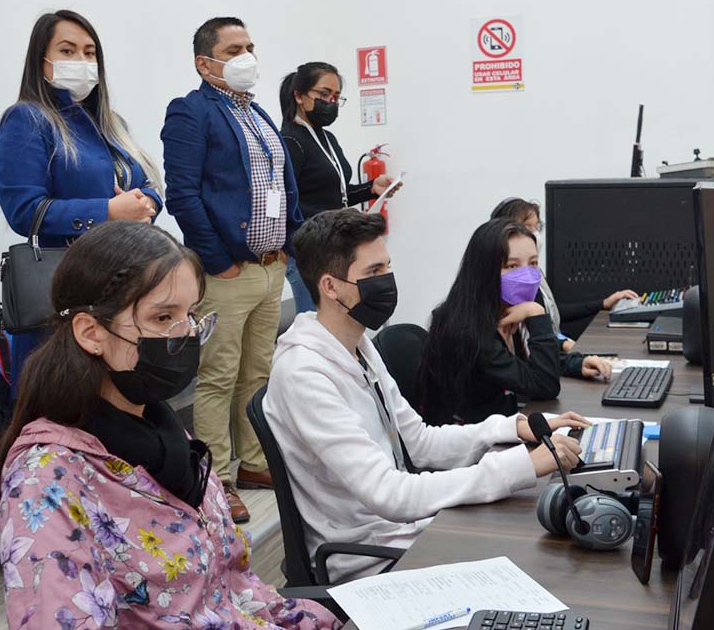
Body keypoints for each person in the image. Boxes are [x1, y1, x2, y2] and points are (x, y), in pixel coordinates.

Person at [0, 221, 338, 630]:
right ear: (91, 332)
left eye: (191, 315)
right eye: (162, 317)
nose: (186, 335)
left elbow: (235, 589)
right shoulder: (48, 479)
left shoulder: (168, 432)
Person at [264, 209, 587, 582]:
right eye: (373, 273)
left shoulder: (358, 347)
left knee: (545, 544)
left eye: (387, 267)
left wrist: (513, 428)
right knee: (542, 560)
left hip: (402, 532)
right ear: (330, 286)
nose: (386, 280)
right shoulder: (304, 374)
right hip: (369, 558)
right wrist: (524, 466)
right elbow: (390, 493)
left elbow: (419, 441)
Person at [161, 17, 301, 523]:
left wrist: (290, 245)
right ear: (205, 62)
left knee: (258, 371)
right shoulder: (190, 113)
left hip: (270, 267)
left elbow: (281, 186)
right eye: (234, 48)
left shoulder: (257, 113)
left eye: (250, 46)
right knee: (218, 375)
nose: (248, 56)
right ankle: (216, 476)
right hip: (227, 271)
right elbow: (183, 194)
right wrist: (216, 262)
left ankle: (256, 462)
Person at [0, 10, 161, 394]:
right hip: (64, 291)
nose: (82, 62)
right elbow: (25, 211)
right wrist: (107, 212)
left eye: (90, 53)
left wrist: (146, 203)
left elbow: (147, 184)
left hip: (123, 286)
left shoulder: (108, 121)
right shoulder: (28, 119)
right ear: (42, 61)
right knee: (67, 407)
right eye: (67, 51)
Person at [419, 220, 614, 426]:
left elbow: (526, 364)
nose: (527, 274)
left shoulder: (505, 309)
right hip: (475, 446)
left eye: (533, 263)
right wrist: (536, 313)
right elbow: (544, 385)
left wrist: (576, 364)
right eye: (512, 266)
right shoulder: (468, 330)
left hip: (505, 425)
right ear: (484, 270)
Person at [278, 62, 395, 313]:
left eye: (336, 96)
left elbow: (334, 194)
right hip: (308, 252)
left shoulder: (326, 137)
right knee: (317, 323)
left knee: (340, 319)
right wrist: (292, 248)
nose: (330, 102)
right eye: (323, 94)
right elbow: (284, 202)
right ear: (299, 95)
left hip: (334, 248)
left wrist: (371, 188)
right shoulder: (290, 141)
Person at [491, 197, 637, 345]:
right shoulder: (515, 281)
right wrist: (562, 343)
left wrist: (603, 303)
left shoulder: (534, 272)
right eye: (527, 227)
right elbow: (530, 331)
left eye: (537, 227)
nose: (535, 234)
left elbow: (553, 312)